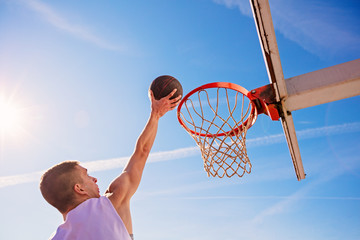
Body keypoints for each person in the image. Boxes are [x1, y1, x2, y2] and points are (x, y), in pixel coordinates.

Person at [40, 89, 181, 240]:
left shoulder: (56, 237)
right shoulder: (109, 204)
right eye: (86, 175)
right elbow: (142, 151)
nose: (94, 179)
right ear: (79, 188)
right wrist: (156, 114)